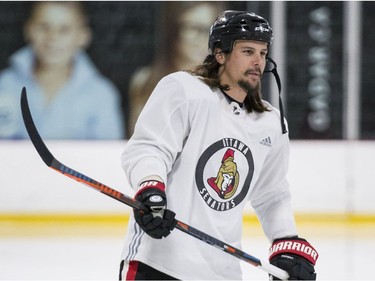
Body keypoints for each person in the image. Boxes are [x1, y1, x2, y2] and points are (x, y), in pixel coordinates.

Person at [119, 10, 318, 280]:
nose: (258, 62)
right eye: (248, 51)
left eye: (262, 53)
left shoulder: (270, 122)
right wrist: (151, 187)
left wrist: (286, 242)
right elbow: (150, 147)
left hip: (221, 272)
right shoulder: (184, 90)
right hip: (159, 264)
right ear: (220, 53)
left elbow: (272, 193)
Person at [0, 1, 125, 139]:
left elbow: (107, 155)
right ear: (28, 29)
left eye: (64, 30)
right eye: (44, 27)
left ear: (83, 36)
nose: (52, 38)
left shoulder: (101, 95)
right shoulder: (4, 85)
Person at [127, 1, 225, 136]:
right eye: (192, 28)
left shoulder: (230, 84)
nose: (203, 39)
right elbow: (138, 141)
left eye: (210, 30)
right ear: (173, 30)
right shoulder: (146, 81)